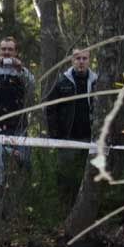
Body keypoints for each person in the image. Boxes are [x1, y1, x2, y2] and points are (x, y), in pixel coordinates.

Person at [44, 48, 98, 211]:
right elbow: (49, 107)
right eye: (77, 59)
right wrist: (55, 134)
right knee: (65, 176)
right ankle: (63, 209)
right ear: (72, 61)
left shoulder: (97, 81)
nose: (81, 61)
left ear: (89, 60)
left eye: (84, 58)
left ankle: (86, 211)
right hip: (67, 138)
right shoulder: (63, 81)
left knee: (88, 177)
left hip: (91, 139)